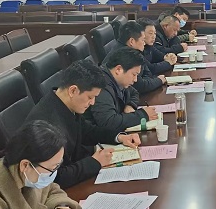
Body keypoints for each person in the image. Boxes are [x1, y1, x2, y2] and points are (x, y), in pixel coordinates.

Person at [25, 60, 141, 188]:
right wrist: (94, 162)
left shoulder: (63, 103)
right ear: (73, 91)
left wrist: (119, 137)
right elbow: (55, 178)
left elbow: (87, 131)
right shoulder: (47, 125)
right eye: (90, 97)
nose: (92, 103)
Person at [85, 47, 159, 131]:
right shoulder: (101, 86)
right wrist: (143, 115)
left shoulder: (118, 80)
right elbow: (108, 122)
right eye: (134, 74)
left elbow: (134, 93)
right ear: (118, 69)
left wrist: (130, 105)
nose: (135, 80)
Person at [105, 20, 166, 94]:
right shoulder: (125, 55)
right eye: (142, 40)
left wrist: (146, 80)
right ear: (132, 41)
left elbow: (147, 72)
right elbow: (140, 86)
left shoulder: (134, 52)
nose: (144, 43)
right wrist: (159, 80)